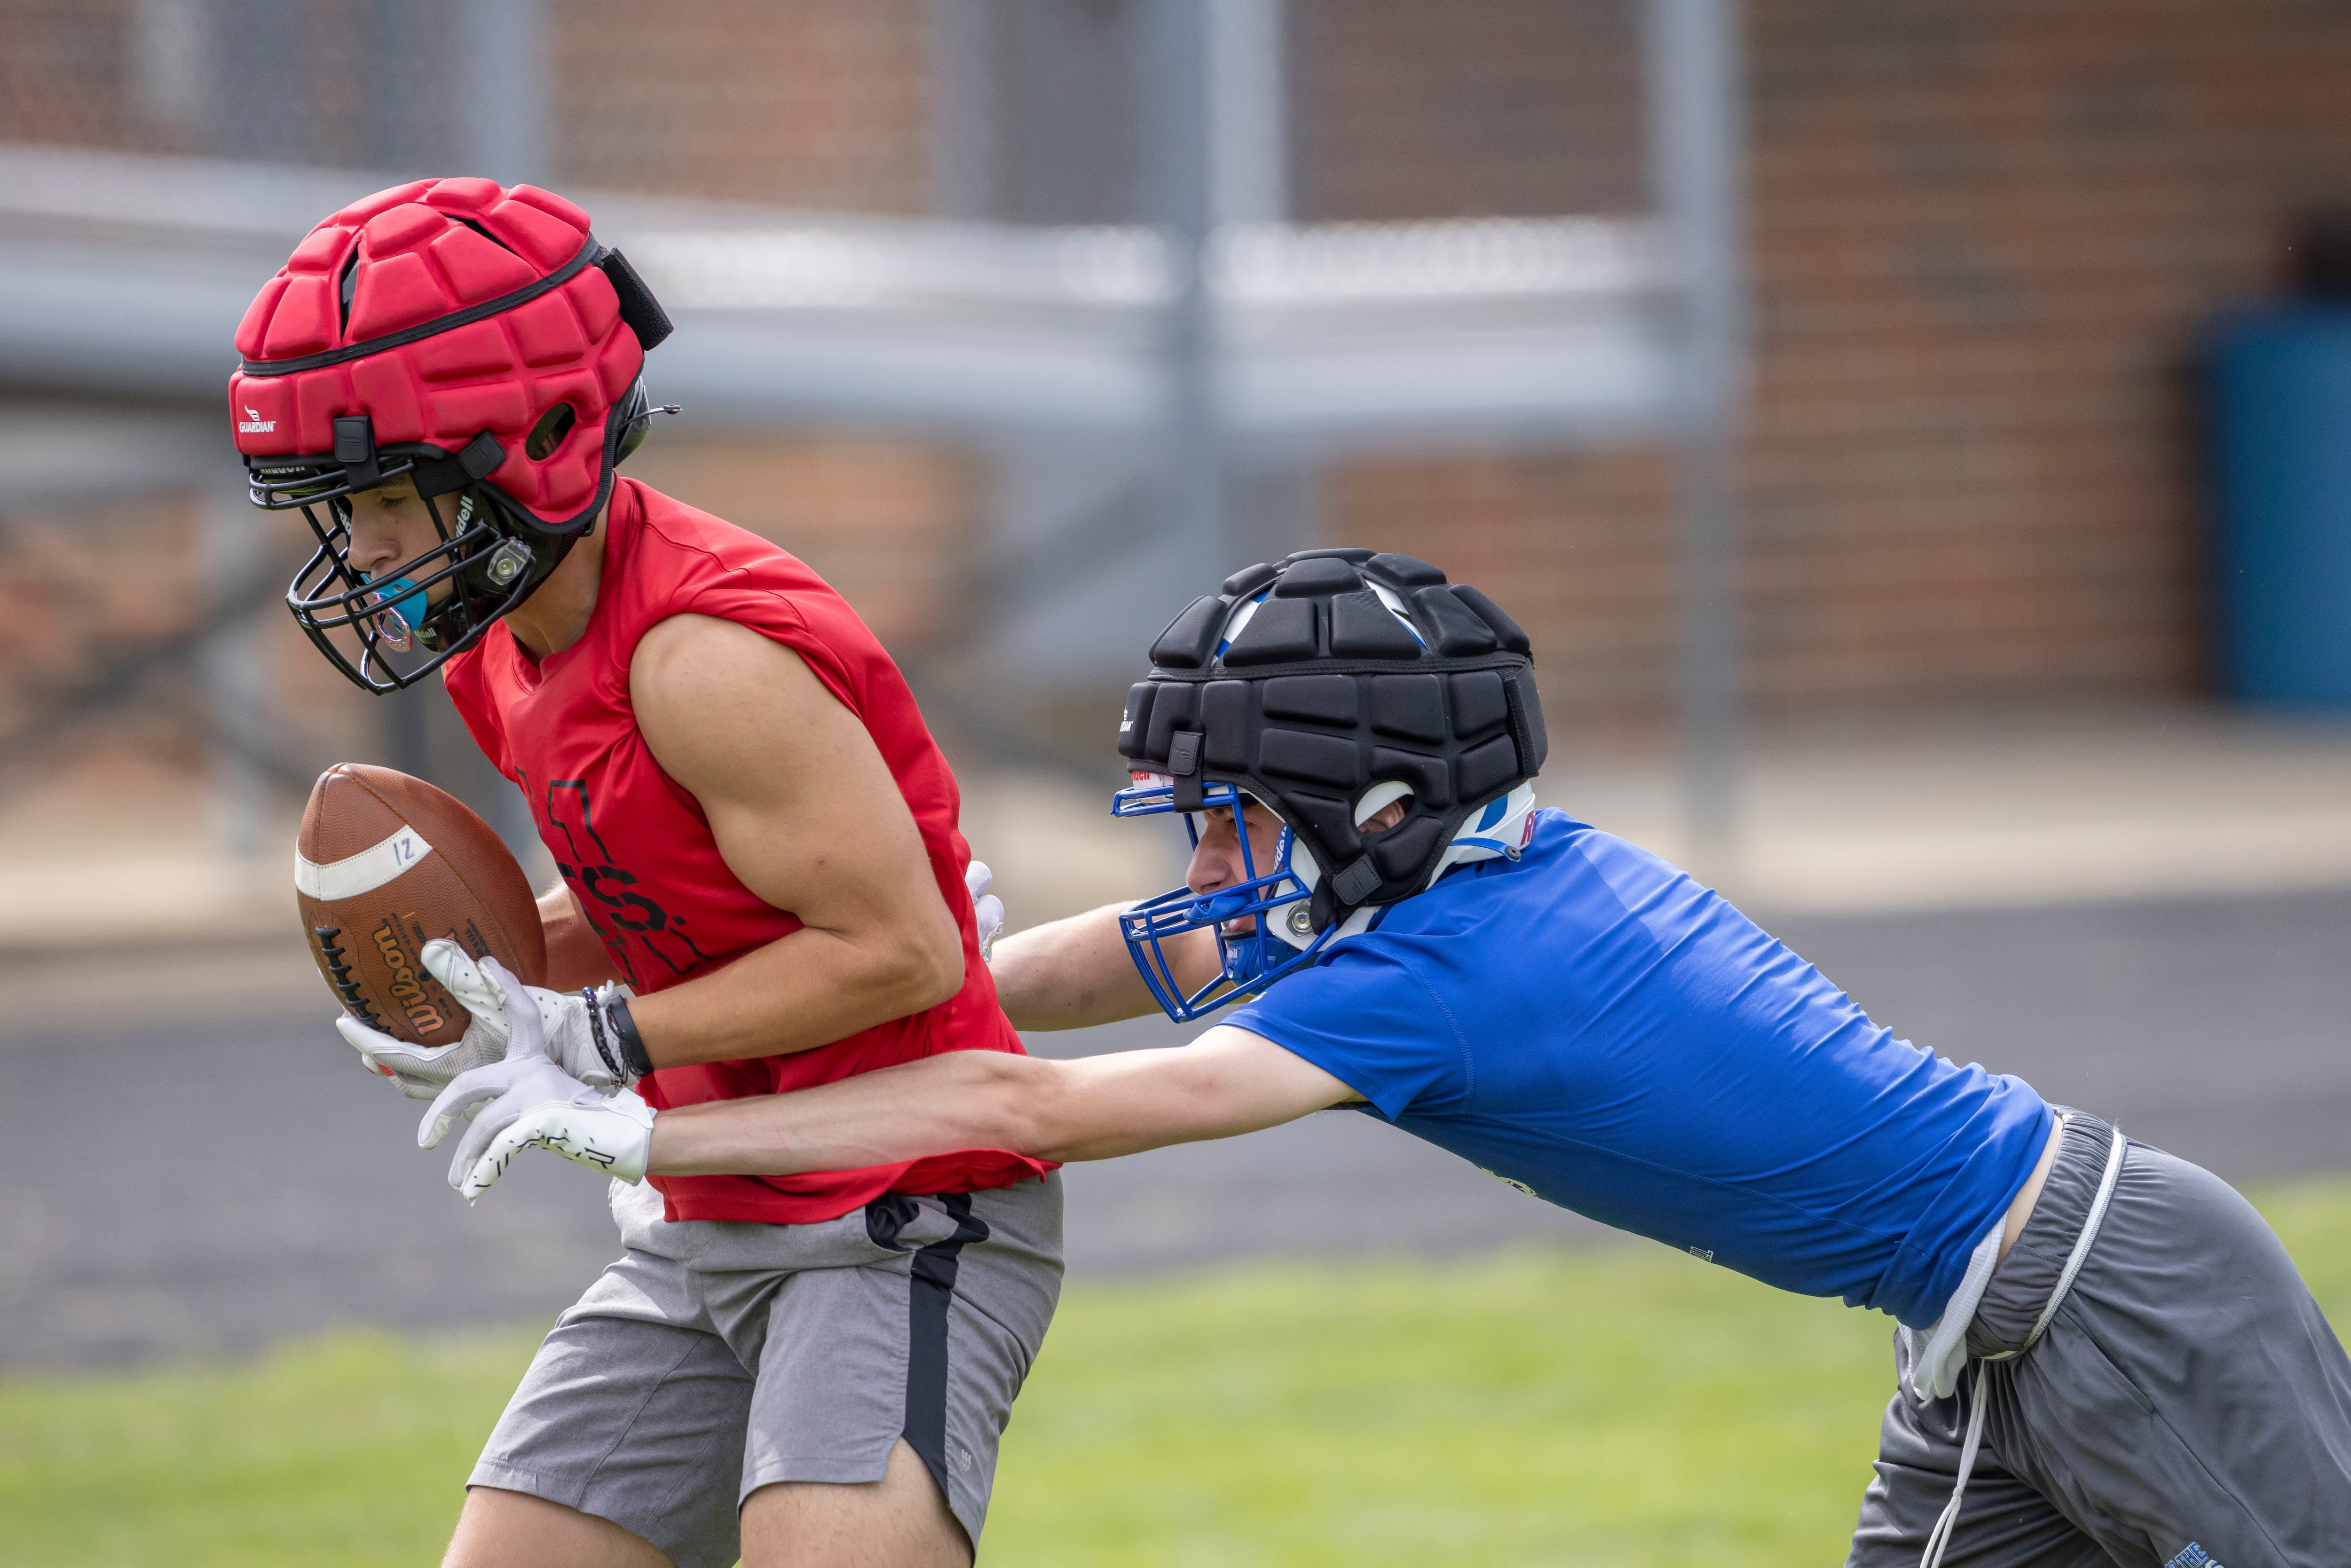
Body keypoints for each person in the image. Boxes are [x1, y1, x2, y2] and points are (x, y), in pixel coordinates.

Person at [442, 548, 2351, 1568]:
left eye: (1223, 819)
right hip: (1982, 1318)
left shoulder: (1437, 978)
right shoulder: (1467, 878)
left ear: (1362, 807)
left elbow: (1024, 1107)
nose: (1194, 862)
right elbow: (1082, 977)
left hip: (2115, 1299)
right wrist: (922, 967)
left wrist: (645, 1099)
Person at [231, 177, 1062, 1568]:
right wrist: (502, 987)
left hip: (901, 1196)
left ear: (536, 441)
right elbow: (659, 904)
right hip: (706, 1208)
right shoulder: (512, 641)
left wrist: (594, 1036)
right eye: (339, 504)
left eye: (384, 497)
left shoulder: (702, 660)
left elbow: (901, 954)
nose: (361, 549)